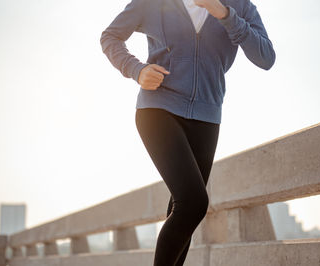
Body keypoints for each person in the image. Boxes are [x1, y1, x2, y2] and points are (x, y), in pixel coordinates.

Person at [100, 0, 275, 265]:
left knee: (183, 209)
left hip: (207, 117)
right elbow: (110, 36)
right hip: (158, 109)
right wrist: (136, 70)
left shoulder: (239, 5)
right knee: (193, 203)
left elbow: (266, 57)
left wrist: (224, 13)